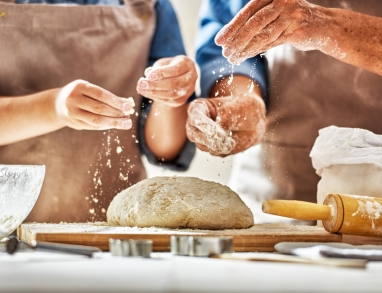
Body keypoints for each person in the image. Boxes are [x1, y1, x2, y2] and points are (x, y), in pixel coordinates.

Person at [0, 0, 197, 222]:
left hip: (113, 235)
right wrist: (53, 107)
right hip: (8, 233)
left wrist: (169, 97)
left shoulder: (152, 6)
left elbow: (164, 150)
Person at [186, 0, 382, 222]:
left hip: (376, 201)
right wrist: (244, 100)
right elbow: (231, 29)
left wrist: (324, 25)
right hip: (272, 198)